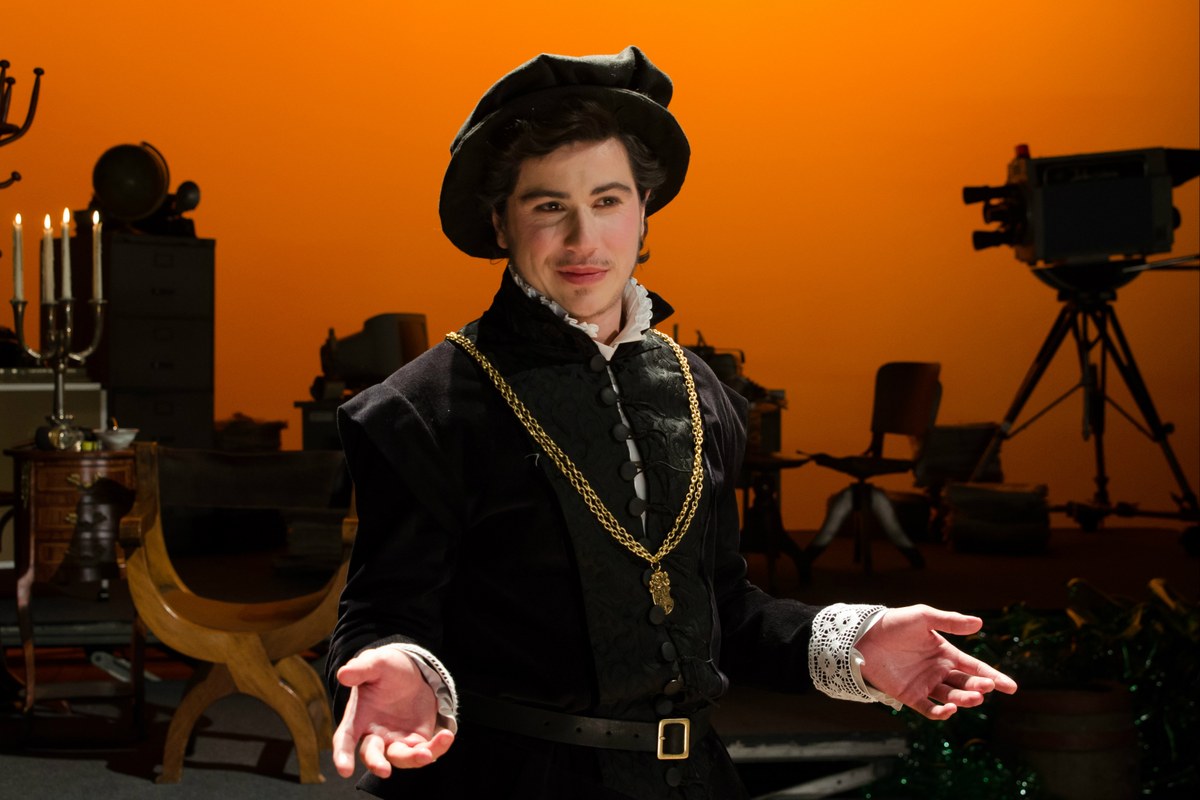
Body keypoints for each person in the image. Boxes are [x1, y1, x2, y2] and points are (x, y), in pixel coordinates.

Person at [326, 46, 1017, 799]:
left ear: (644, 210)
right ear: (500, 221)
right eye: (549, 206)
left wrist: (857, 642)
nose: (584, 240)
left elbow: (726, 611)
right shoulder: (419, 411)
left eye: (608, 201)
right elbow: (382, 609)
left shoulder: (699, 392)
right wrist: (395, 662)